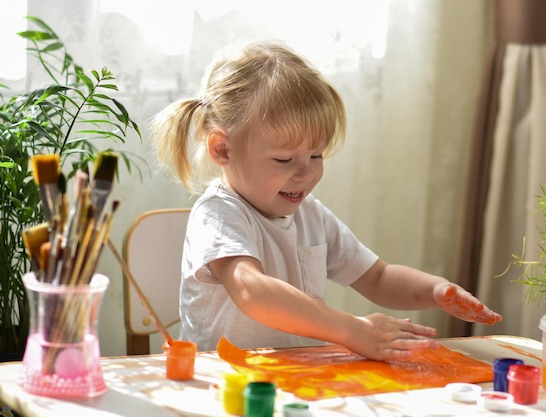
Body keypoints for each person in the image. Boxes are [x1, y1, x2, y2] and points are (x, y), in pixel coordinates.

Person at [152, 41, 502, 361]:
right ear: (223, 149)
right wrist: (351, 329)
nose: (305, 175)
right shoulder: (218, 213)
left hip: (298, 382)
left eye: (316, 156)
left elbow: (378, 278)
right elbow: (251, 289)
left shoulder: (311, 215)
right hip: (223, 385)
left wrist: (436, 290)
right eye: (284, 160)